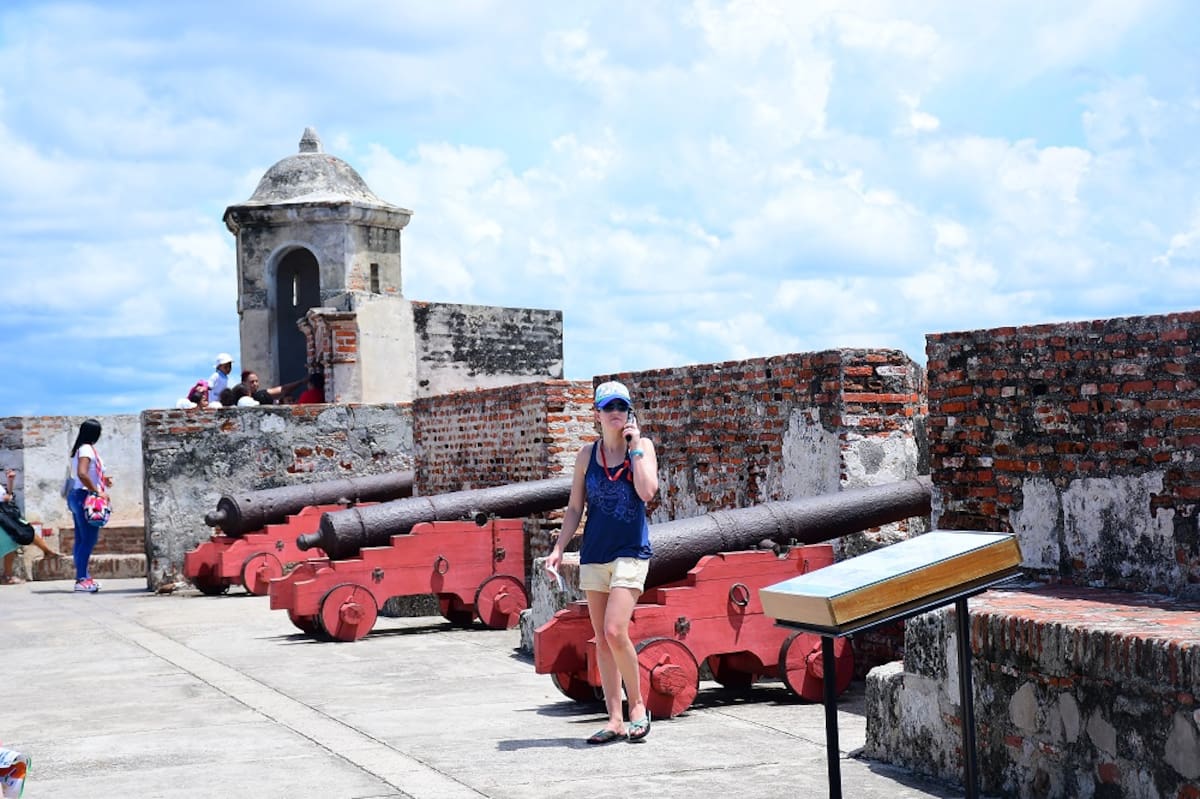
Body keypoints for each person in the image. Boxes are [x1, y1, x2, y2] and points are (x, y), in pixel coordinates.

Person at [545, 380, 659, 744]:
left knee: (614, 630)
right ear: (596, 413)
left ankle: (638, 706)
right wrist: (559, 548)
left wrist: (635, 448)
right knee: (602, 640)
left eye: (621, 407)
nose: (615, 413)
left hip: (630, 551)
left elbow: (647, 492)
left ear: (629, 412)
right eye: (608, 406)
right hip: (595, 552)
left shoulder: (642, 448)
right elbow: (576, 508)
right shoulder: (586, 456)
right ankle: (614, 719)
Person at [66, 419, 111, 593]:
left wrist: (103, 481)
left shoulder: (82, 449)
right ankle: (82, 579)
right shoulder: (86, 449)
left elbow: (86, 474)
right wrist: (97, 491)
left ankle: (83, 576)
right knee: (88, 540)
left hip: (78, 495)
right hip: (85, 496)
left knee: (81, 539)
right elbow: (82, 473)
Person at [1, 468, 61, 585]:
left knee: (21, 533)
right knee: (10, 540)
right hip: (3, 517)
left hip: (6, 514)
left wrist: (10, 481)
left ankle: (47, 551)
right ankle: (7, 576)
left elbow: (7, 496)